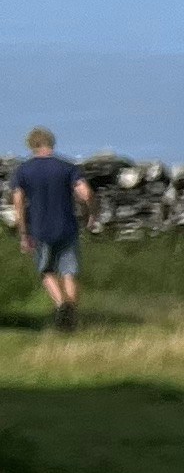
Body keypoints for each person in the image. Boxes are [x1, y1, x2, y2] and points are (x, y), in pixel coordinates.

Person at [10, 130, 93, 326]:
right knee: (69, 271)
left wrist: (23, 232)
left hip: (39, 230)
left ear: (31, 145)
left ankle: (60, 304)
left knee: (46, 270)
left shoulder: (23, 171)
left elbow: (18, 200)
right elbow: (86, 193)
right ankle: (70, 311)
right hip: (67, 227)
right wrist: (90, 214)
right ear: (52, 143)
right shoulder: (67, 167)